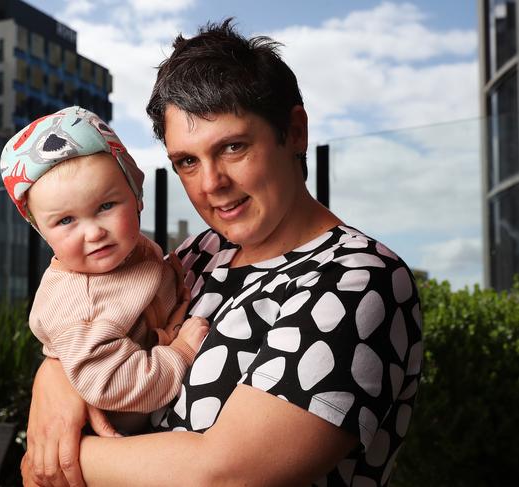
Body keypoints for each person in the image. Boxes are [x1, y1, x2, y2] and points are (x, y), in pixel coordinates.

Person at [21, 20, 422, 487]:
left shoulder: (357, 279)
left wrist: (58, 458)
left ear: (294, 132)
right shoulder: (194, 257)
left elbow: (228, 475)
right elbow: (101, 348)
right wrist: (53, 376)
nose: (211, 184)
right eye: (187, 161)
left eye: (233, 147)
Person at [0, 106, 209, 430]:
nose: (94, 232)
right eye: (66, 220)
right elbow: (114, 384)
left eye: (106, 206)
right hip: (117, 436)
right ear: (42, 231)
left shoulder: (130, 251)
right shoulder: (80, 303)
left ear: (136, 195)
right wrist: (179, 353)